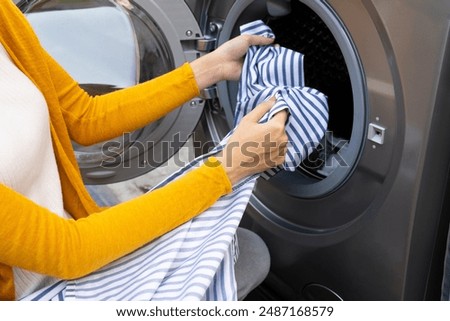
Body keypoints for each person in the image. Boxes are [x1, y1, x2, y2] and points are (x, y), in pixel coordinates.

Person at [0, 0, 288, 300]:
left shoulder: (3, 16)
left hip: (72, 244)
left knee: (247, 252)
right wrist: (226, 169)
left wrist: (209, 68)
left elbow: (84, 116)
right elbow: (70, 250)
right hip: (37, 292)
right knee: (249, 258)